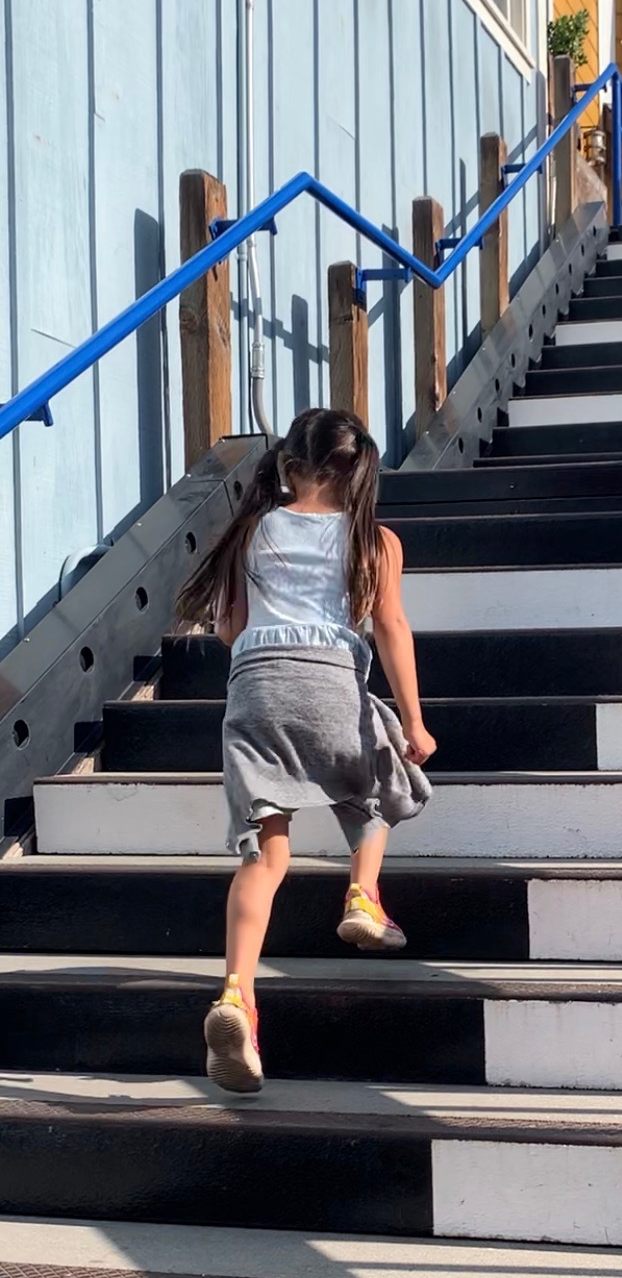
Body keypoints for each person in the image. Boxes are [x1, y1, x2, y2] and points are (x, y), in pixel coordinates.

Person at [176, 408, 436, 1094]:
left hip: (254, 688)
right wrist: (413, 720)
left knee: (266, 855)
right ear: (357, 476)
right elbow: (391, 628)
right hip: (328, 680)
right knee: (381, 779)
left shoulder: (247, 532)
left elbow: (230, 628)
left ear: (287, 468)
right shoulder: (374, 541)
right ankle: (362, 895)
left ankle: (236, 995)